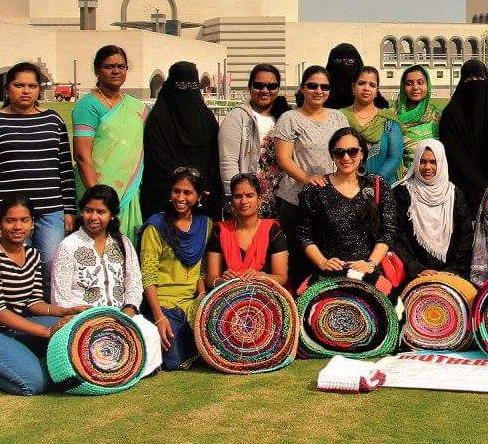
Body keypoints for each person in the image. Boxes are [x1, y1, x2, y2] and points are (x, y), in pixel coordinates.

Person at [0, 195, 83, 394]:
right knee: (35, 383)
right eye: (10, 220)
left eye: (24, 220)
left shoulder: (32, 255)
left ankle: (15, 358)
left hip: (12, 330)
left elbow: (33, 302)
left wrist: (65, 311)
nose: (17, 227)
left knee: (72, 328)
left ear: (32, 223)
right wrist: (47, 332)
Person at [0, 61, 76, 293]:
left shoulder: (53, 121)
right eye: (19, 85)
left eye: (31, 85)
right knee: (13, 272)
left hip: (51, 210)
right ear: (7, 88)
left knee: (52, 270)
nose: (26, 90)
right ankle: (17, 326)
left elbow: (64, 169)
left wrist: (69, 209)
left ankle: (51, 324)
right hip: (11, 215)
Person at [51, 185, 162, 376]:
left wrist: (129, 308)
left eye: (101, 212)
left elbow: (134, 283)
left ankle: (129, 372)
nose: (93, 217)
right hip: (84, 322)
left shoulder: (123, 243)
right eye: (88, 210)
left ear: (112, 215)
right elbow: (60, 296)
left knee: (150, 332)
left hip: (121, 317)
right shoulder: (68, 246)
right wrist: (76, 319)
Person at [294, 127, 402, 293]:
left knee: (396, 313)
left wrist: (370, 264)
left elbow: (388, 232)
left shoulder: (378, 186)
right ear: (332, 155)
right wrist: (323, 262)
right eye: (339, 152)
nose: (346, 157)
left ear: (362, 154)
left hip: (368, 273)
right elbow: (303, 234)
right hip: (328, 275)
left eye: (352, 152)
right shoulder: (316, 190)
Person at [273, 65, 349, 286]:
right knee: (298, 259)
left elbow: (346, 151)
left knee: (329, 258)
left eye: (324, 87)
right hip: (296, 200)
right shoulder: (290, 118)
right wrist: (308, 179)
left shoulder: (338, 118)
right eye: (312, 86)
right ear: (302, 89)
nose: (318, 91)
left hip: (331, 200)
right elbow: (284, 158)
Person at [72, 45, 148, 241]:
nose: (116, 71)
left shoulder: (137, 108)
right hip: (95, 187)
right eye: (109, 66)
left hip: (129, 191)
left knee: (126, 248)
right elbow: (82, 156)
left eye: (121, 66)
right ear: (98, 70)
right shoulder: (87, 106)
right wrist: (97, 199)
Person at [140, 168, 213, 371]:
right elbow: (148, 275)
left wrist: (202, 295)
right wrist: (158, 317)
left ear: (199, 196)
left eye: (187, 193)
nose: (180, 197)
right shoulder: (155, 226)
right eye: (176, 191)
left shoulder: (205, 224)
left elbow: (202, 269)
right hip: (163, 304)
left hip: (193, 303)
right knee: (174, 363)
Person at [142, 61, 222, 220]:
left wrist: (200, 185)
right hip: (166, 198)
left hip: (203, 199)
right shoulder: (158, 119)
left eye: (192, 84)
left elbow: (214, 158)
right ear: (171, 86)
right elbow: (157, 159)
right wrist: (184, 187)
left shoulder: (206, 119)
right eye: (181, 84)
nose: (187, 90)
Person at [217, 63, 290, 217]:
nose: (265, 91)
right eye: (259, 85)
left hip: (281, 200)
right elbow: (228, 162)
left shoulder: (285, 117)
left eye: (271, 86)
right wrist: (236, 199)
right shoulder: (237, 117)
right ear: (250, 87)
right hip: (248, 202)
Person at [393, 139, 472, 279]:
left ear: (441, 163)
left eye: (433, 162)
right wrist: (417, 268)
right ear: (416, 162)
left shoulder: (454, 195)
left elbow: (464, 237)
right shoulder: (402, 192)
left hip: (450, 274)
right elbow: (396, 235)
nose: (427, 167)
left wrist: (453, 271)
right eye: (422, 161)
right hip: (413, 274)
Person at [205, 173, 289, 287]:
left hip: (264, 298)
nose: (244, 201)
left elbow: (281, 277)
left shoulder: (273, 229)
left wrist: (260, 276)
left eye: (249, 195)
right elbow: (211, 278)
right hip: (228, 298)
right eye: (238, 196)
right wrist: (223, 282)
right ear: (232, 201)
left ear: (259, 200)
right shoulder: (220, 230)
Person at [438, 59, 488, 212]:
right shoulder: (450, 114)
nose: (474, 84)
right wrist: (479, 182)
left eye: (479, 79)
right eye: (469, 79)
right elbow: (453, 152)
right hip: (460, 189)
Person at [341, 66, 403, 184]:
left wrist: (373, 183)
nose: (366, 88)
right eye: (362, 83)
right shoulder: (340, 118)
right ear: (353, 87)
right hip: (346, 187)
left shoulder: (388, 120)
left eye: (372, 85)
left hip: (383, 188)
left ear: (376, 90)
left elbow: (394, 158)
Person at [395, 64, 440, 175]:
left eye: (420, 83)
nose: (415, 87)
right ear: (403, 87)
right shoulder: (392, 117)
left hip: (433, 179)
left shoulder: (438, 117)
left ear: (427, 85)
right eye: (409, 83)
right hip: (402, 181)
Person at [323, 42, 389, 110]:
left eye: (350, 61)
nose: (344, 65)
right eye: (338, 61)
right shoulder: (323, 91)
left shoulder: (372, 98)